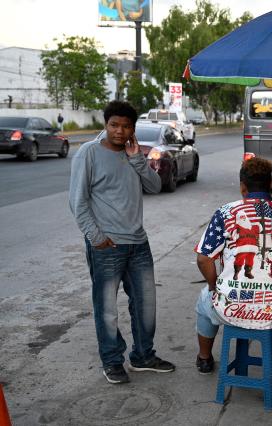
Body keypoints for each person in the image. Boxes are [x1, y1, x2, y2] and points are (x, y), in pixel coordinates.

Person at [69, 100, 174, 384]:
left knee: (146, 305)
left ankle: (143, 357)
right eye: (114, 125)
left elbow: (155, 186)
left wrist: (138, 159)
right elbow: (77, 202)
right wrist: (96, 237)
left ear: (133, 128)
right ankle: (112, 360)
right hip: (108, 246)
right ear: (106, 124)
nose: (120, 130)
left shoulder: (133, 153)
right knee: (107, 309)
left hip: (139, 243)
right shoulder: (88, 153)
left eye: (126, 126)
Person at [193, 158, 272, 374]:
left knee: (204, 299)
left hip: (230, 307)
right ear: (270, 184)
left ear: (243, 187)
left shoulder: (225, 213)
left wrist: (214, 288)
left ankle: (204, 358)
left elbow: (204, 259)